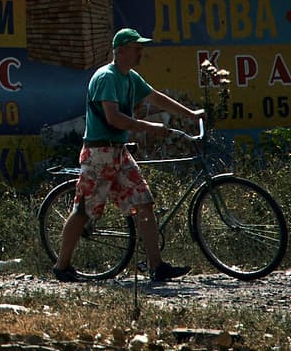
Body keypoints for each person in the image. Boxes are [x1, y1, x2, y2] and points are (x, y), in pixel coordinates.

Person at [50, 27, 202, 284]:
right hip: (99, 153)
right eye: (136, 48)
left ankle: (157, 266)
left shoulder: (131, 78)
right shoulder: (106, 77)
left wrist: (190, 114)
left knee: (144, 201)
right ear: (121, 51)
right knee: (84, 210)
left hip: (118, 153)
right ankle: (62, 266)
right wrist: (149, 127)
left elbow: (157, 98)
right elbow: (114, 118)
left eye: (141, 47)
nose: (141, 52)